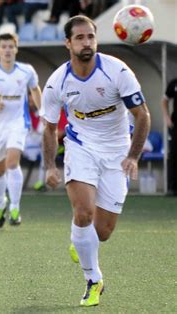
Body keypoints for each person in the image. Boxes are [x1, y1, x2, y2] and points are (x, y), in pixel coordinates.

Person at [40, 16, 150, 306]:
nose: (86, 42)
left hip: (117, 152)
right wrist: (50, 165)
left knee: (102, 232)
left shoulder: (117, 71)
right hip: (80, 146)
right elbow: (50, 128)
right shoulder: (56, 83)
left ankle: (81, 239)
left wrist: (132, 157)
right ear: (68, 43)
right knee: (83, 211)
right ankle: (93, 279)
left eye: (90, 36)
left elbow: (143, 116)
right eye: (79, 38)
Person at [0, 32, 42, 227]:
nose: (7, 50)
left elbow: (35, 89)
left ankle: (15, 208)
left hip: (18, 123)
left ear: (16, 49)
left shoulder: (26, 71)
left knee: (12, 163)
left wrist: (42, 111)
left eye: (11, 47)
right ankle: (0, 203)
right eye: (3, 47)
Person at [161, 78, 177, 196]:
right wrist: (167, 118)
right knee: (174, 154)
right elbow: (165, 100)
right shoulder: (174, 83)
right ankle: (173, 188)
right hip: (175, 125)